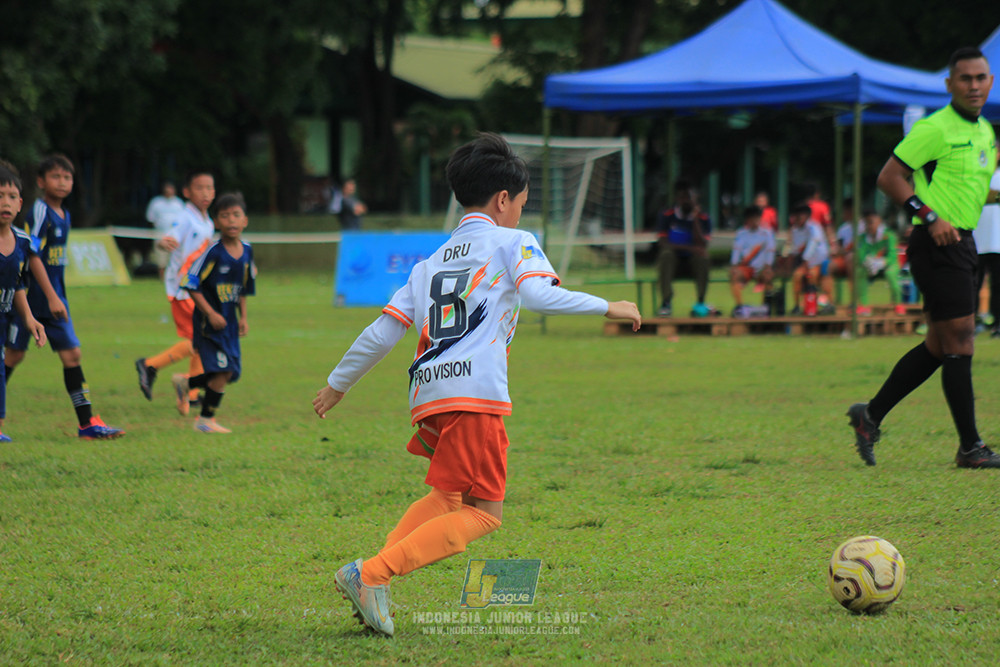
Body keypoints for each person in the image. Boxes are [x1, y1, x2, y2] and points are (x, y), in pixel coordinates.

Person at [313, 132, 641, 637]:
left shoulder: (430, 262)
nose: (518, 216)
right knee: (485, 514)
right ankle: (371, 574)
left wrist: (339, 384)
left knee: (447, 500)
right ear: (503, 199)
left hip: (429, 393)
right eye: (521, 206)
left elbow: (384, 331)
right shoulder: (513, 242)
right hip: (475, 395)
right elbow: (538, 296)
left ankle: (370, 576)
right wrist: (607, 305)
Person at [848, 46, 1000, 469]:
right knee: (962, 338)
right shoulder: (935, 129)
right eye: (965, 78)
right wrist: (929, 216)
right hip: (936, 244)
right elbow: (889, 177)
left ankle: (870, 416)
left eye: (981, 77)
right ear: (950, 84)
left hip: (964, 243)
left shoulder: (986, 131)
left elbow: (967, 187)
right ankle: (970, 447)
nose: (974, 85)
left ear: (990, 82)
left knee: (940, 344)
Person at [4, 154, 124, 439]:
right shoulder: (41, 212)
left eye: (67, 177)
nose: (62, 182)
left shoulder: (64, 214)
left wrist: (58, 296)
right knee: (13, 355)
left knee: (72, 355)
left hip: (55, 300)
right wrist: (50, 296)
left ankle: (87, 424)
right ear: (41, 182)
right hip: (31, 299)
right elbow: (32, 256)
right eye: (56, 177)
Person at [172, 192, 256, 434]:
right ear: (216, 222)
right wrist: (209, 313)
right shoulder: (213, 252)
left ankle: (186, 383)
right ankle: (205, 420)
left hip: (229, 322)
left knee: (230, 372)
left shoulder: (247, 251)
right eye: (225, 216)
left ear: (245, 220)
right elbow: (190, 283)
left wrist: (244, 318)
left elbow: (242, 288)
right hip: (209, 323)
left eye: (236, 215)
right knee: (223, 371)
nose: (231, 221)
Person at [134, 170, 215, 409]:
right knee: (201, 341)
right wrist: (162, 242)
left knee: (201, 339)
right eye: (200, 188)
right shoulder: (185, 217)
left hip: (195, 288)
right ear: (187, 192)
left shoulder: (207, 220)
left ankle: (191, 393)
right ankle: (150, 365)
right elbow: (170, 235)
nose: (206, 193)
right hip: (182, 289)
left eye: (210, 188)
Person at [0, 160, 47, 441]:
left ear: (20, 205)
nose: (5, 202)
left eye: (12, 196)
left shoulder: (21, 241)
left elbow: (17, 282)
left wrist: (29, 318)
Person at [656, 179, 711, 316]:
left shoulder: (703, 218)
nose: (686, 201)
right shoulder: (667, 216)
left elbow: (702, 245)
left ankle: (700, 302)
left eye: (689, 198)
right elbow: (663, 242)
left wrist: (695, 218)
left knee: (703, 257)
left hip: (693, 264)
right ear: (677, 198)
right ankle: (666, 302)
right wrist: (689, 248)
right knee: (666, 255)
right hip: (673, 263)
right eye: (683, 197)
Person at [855, 210, 905, 316]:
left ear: (879, 221)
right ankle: (863, 305)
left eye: (871, 222)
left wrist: (881, 262)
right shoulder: (863, 237)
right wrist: (868, 263)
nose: (869, 226)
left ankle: (898, 304)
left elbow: (892, 256)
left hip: (888, 265)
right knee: (860, 272)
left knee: (891, 273)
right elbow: (861, 255)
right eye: (866, 223)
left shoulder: (889, 235)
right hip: (871, 266)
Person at [729, 205, 775, 315]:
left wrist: (768, 266)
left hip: (762, 268)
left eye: (757, 218)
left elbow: (771, 250)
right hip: (747, 268)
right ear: (747, 220)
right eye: (752, 218)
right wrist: (734, 266)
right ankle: (740, 307)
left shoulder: (767, 233)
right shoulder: (741, 233)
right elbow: (736, 251)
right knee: (734, 275)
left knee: (768, 276)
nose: (755, 221)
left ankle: (766, 308)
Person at [786, 203, 831, 314]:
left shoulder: (814, 227)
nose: (798, 219)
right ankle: (797, 306)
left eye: (801, 216)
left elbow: (813, 244)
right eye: (797, 216)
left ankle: (821, 305)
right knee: (797, 275)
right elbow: (797, 249)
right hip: (805, 263)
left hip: (819, 262)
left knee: (813, 275)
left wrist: (805, 260)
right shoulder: (795, 230)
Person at [973, 165, 1000, 336]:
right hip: (976, 239)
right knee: (972, 285)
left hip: (997, 240)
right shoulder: (976, 174)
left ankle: (997, 323)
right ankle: (971, 322)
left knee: (998, 285)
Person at [145, 181, 186, 279]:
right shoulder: (156, 202)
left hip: (175, 236)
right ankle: (162, 278)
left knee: (175, 258)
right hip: (160, 234)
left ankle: (174, 278)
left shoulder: (179, 203)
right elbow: (151, 219)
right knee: (161, 259)